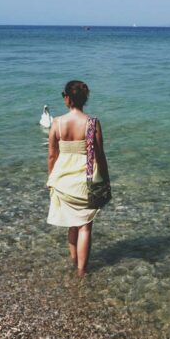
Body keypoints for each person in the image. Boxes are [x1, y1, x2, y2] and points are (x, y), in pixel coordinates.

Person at [46, 80, 110, 278]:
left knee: (72, 223)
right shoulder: (92, 123)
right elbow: (100, 155)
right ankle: (82, 271)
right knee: (85, 227)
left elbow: (51, 155)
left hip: (63, 181)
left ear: (67, 97)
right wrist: (106, 180)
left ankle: (74, 262)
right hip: (85, 181)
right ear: (85, 99)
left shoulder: (57, 122)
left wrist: (51, 180)